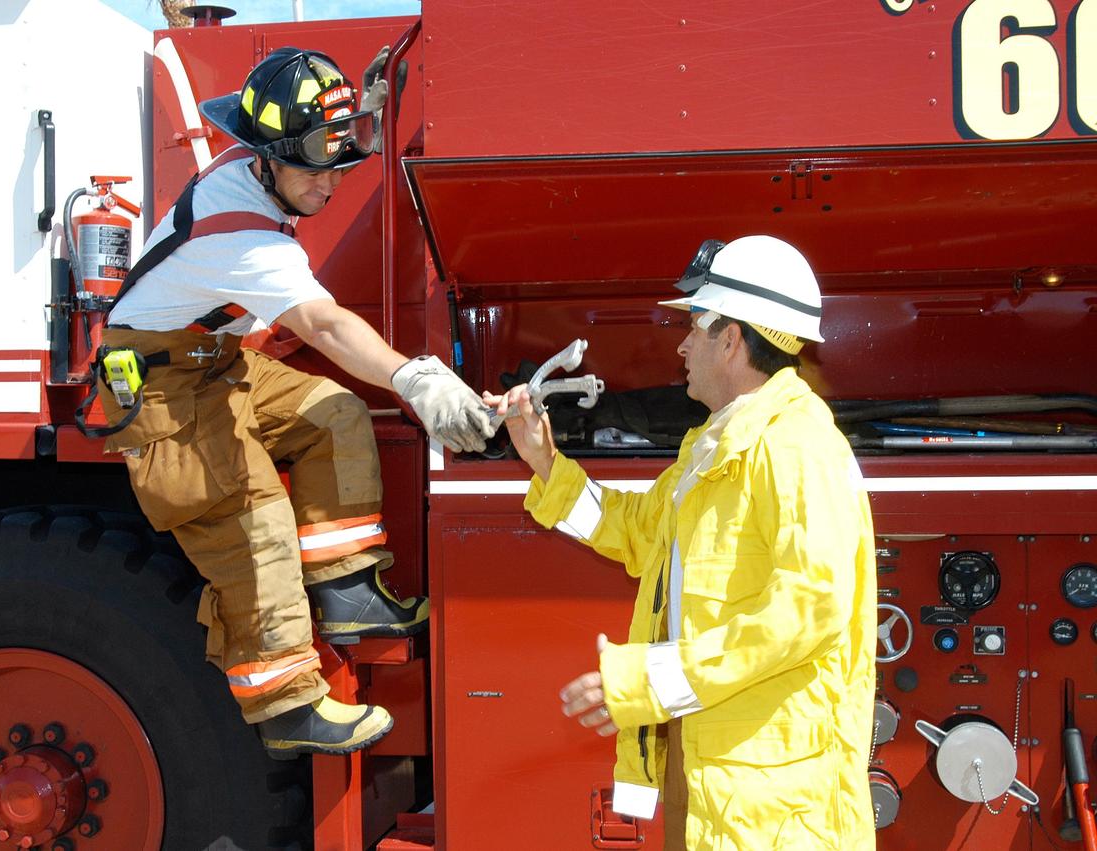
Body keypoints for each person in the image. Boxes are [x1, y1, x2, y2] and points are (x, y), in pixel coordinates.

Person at [97, 47, 493, 758]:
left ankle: (346, 595)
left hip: (216, 361)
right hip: (162, 386)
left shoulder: (269, 168)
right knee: (256, 523)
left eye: (335, 163)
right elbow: (325, 324)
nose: (330, 182)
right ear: (267, 159)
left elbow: (331, 149)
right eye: (314, 168)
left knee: (332, 414)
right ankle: (288, 705)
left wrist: (367, 120)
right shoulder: (241, 232)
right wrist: (415, 379)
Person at [486, 236, 877, 849]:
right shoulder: (718, 445)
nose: (682, 344)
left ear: (732, 339)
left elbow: (808, 611)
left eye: (696, 325)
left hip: (768, 796)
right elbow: (640, 533)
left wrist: (652, 681)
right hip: (719, 767)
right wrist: (544, 459)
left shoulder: (799, 447)